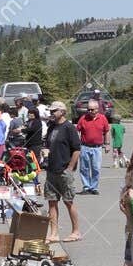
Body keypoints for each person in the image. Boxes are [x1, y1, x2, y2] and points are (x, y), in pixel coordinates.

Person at [43, 101, 83, 242]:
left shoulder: (69, 127)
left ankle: (76, 231)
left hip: (64, 169)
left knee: (68, 201)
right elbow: (47, 144)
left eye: (54, 111)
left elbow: (77, 149)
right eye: (51, 111)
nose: (52, 113)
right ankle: (54, 233)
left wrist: (70, 167)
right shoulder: (51, 127)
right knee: (52, 201)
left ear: (62, 112)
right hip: (51, 170)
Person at [76, 99, 109, 194]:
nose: (90, 111)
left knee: (96, 168)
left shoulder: (102, 118)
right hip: (85, 146)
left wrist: (107, 145)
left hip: (97, 147)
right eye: (88, 109)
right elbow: (77, 130)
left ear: (97, 109)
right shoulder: (83, 118)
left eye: (92, 109)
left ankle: (94, 187)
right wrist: (77, 143)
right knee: (84, 168)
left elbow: (106, 131)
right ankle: (86, 187)